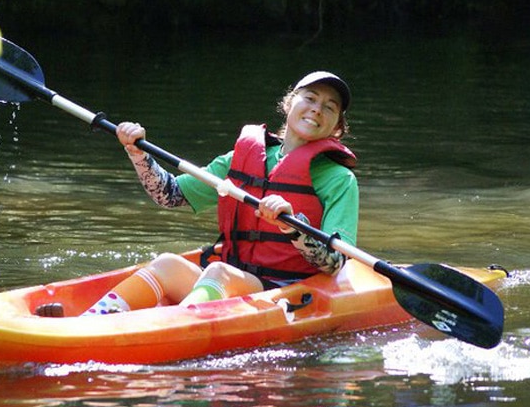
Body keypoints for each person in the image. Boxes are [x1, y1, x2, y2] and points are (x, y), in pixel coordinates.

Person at [37, 71, 358, 317]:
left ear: (336, 128)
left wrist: (293, 226)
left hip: (288, 292)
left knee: (217, 270)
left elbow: (335, 263)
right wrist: (137, 154)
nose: (317, 110)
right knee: (165, 263)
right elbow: (169, 194)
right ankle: (87, 324)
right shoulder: (241, 158)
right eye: (311, 98)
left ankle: (168, 328)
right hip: (234, 282)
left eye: (329, 107)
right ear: (290, 103)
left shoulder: (338, 179)